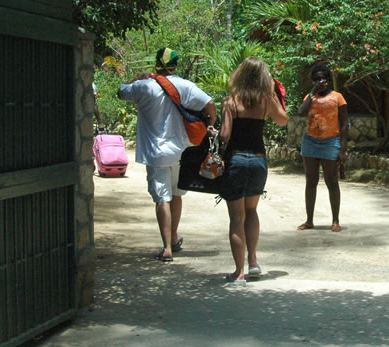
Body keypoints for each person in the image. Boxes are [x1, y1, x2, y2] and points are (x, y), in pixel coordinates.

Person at [118, 48, 217, 262]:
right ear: (176, 65)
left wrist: (137, 77)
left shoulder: (143, 87)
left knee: (162, 198)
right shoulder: (184, 85)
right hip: (181, 151)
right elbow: (210, 104)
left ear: (155, 64)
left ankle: (166, 249)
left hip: (156, 154)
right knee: (177, 195)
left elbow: (120, 92)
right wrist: (210, 124)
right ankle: (173, 238)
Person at [217, 57, 288, 285]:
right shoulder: (266, 100)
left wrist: (217, 129)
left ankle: (238, 273)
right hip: (258, 160)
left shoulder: (230, 101)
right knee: (252, 211)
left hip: (236, 160)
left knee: (237, 217)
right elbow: (283, 121)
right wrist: (274, 98)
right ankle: (253, 261)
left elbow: (225, 135)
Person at [296, 62, 348, 232]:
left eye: (323, 78)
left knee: (332, 181)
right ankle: (309, 220)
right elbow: (301, 112)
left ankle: (335, 221)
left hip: (330, 142)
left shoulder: (337, 97)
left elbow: (345, 124)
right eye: (317, 79)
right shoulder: (310, 98)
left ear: (328, 80)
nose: (321, 81)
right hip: (310, 141)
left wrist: (342, 149)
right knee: (311, 181)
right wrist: (312, 93)